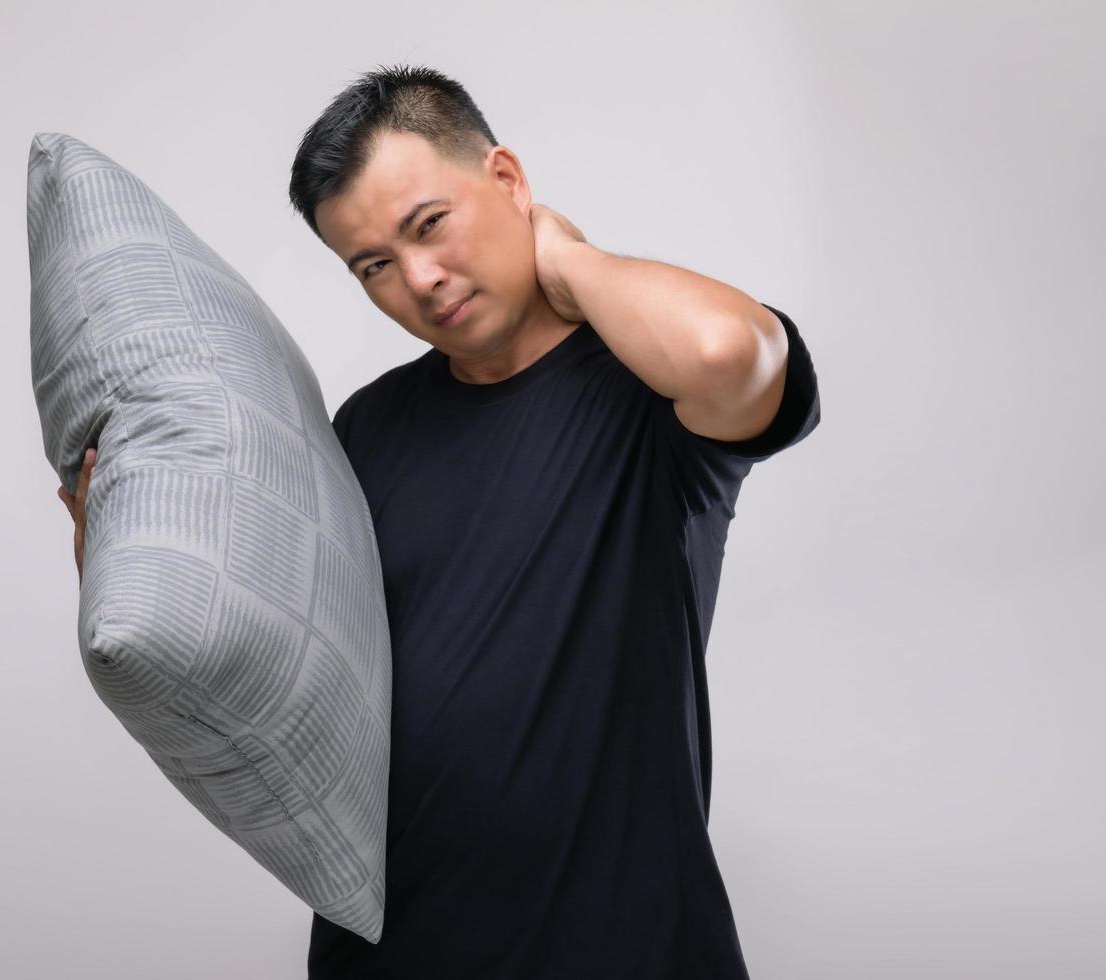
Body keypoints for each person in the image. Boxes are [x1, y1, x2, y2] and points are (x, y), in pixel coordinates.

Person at [61, 63, 821, 979]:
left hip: (629, 947)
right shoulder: (368, 428)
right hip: (394, 954)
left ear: (505, 180)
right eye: (373, 265)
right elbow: (280, 658)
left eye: (430, 225)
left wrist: (567, 256)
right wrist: (119, 568)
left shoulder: (643, 391)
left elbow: (729, 350)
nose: (419, 281)